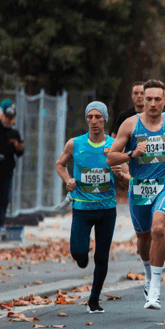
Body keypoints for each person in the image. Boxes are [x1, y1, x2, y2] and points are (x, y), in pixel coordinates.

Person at [108, 80, 165, 310]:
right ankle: (147, 272)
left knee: (158, 229)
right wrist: (132, 154)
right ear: (142, 99)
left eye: (158, 99)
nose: (153, 103)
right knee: (143, 239)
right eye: (149, 99)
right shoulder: (130, 125)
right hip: (139, 187)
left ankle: (155, 287)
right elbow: (111, 157)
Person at [55, 102, 130, 313]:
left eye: (98, 117)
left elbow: (127, 180)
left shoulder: (115, 145)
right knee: (78, 253)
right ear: (86, 119)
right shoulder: (75, 144)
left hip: (107, 209)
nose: (94, 121)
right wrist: (68, 180)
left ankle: (94, 300)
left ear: (105, 119)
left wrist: (120, 175)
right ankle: (82, 253)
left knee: (102, 256)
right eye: (90, 117)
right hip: (82, 208)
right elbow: (60, 164)